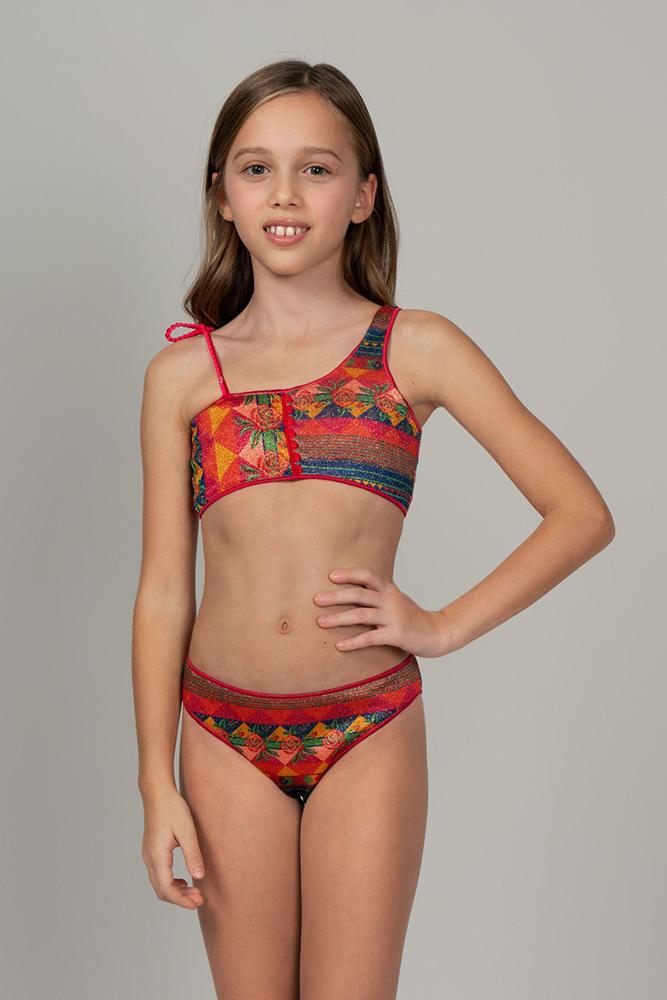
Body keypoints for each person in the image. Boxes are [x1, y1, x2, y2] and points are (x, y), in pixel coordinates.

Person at [131, 59, 615, 999]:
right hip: (221, 734)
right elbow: (161, 589)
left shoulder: (415, 347)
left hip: (366, 728)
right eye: (255, 168)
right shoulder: (180, 378)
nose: (283, 193)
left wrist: (442, 626)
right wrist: (156, 781)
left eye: (315, 169)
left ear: (361, 196)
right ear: (222, 194)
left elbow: (580, 513)